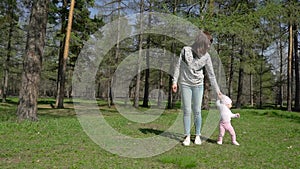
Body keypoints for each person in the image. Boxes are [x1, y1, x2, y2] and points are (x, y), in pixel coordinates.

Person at [172, 31, 222, 146]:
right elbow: (178, 66)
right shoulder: (185, 50)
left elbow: (211, 75)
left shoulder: (206, 57)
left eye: (210, 44)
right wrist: (174, 81)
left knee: (197, 111)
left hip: (198, 85)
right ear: (201, 42)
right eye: (208, 44)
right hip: (185, 84)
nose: (209, 46)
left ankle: (198, 135)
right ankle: (187, 136)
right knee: (187, 110)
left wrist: (218, 91)